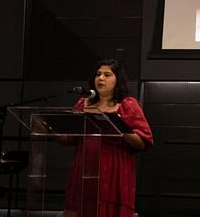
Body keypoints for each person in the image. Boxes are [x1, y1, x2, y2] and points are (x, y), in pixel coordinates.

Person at [62, 59, 154, 217]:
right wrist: (52, 127)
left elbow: (142, 142)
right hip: (84, 166)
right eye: (98, 74)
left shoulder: (127, 105)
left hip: (114, 168)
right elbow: (68, 139)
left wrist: (117, 126)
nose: (101, 78)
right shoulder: (82, 103)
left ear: (117, 79)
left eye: (107, 74)